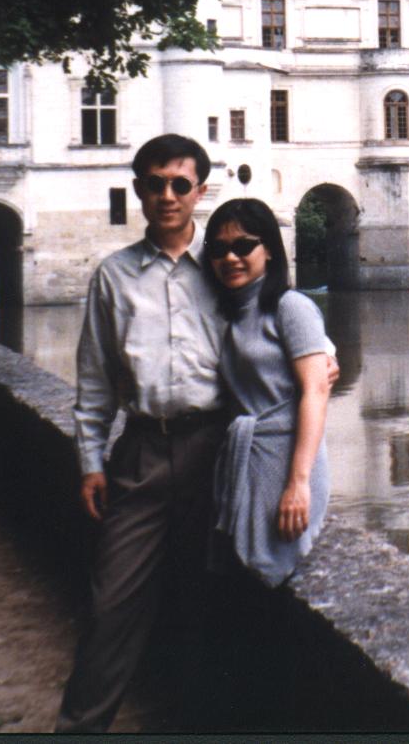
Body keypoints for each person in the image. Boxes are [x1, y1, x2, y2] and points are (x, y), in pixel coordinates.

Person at [56, 134, 227, 733]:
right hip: (143, 450)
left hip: (216, 450)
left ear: (201, 192)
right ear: (138, 191)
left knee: (203, 602)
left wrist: (321, 358)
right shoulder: (114, 275)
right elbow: (95, 378)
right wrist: (90, 461)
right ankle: (81, 727)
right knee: (110, 604)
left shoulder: (225, 265)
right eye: (155, 183)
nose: (167, 195)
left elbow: (279, 330)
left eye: (180, 184)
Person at [202, 197, 331, 587]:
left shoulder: (291, 307)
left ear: (270, 250)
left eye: (243, 246)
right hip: (246, 453)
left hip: (286, 456)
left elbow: (315, 392)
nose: (231, 257)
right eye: (219, 249)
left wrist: (299, 483)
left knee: (272, 568)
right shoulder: (226, 312)